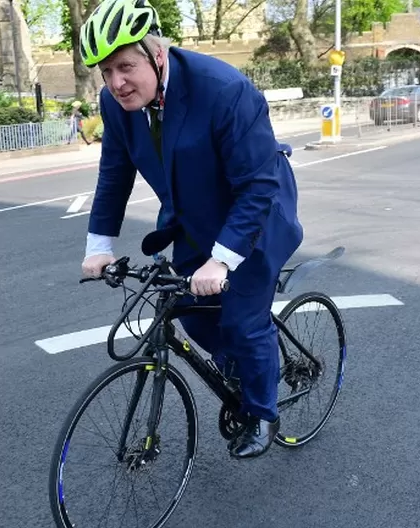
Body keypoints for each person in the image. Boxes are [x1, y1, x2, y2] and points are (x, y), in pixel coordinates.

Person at [78, 0, 303, 459]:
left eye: (125, 66)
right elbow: (114, 176)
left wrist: (223, 258)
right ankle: (238, 365)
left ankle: (262, 413)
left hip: (255, 214)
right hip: (195, 217)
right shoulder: (116, 102)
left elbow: (257, 185)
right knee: (186, 306)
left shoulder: (223, 90)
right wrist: (99, 245)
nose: (115, 82)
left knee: (243, 321)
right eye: (105, 71)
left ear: (156, 56)